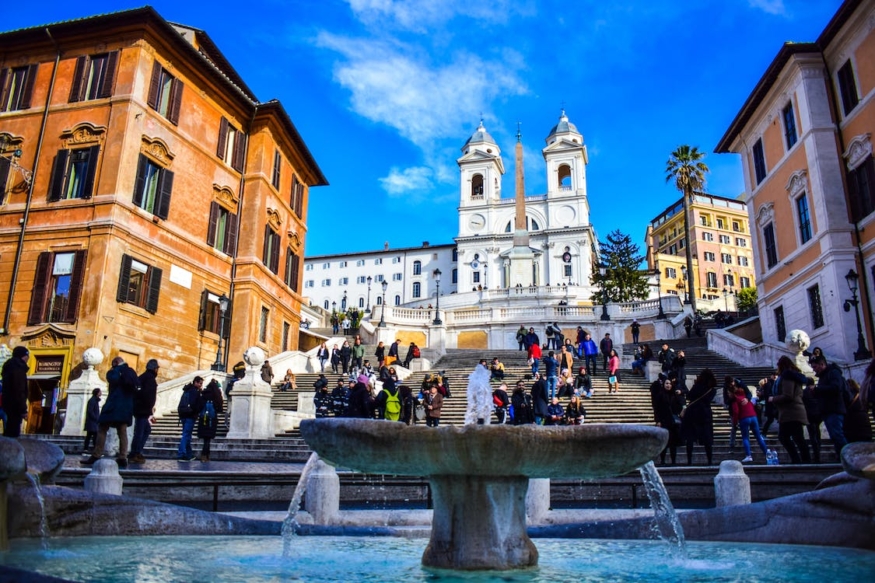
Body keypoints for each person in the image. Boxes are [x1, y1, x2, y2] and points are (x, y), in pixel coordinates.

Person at [82, 356, 139, 468]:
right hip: (126, 407)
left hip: (113, 405)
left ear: (116, 363)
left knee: (102, 429)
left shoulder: (115, 371)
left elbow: (112, 379)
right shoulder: (131, 372)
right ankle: (123, 457)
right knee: (122, 432)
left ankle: (96, 454)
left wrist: (115, 370)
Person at [769, 356, 811, 464]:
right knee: (797, 437)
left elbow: (788, 395)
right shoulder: (790, 376)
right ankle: (803, 460)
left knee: (786, 437)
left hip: (792, 412)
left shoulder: (787, 377)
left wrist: (773, 398)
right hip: (791, 412)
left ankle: (800, 460)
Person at [810, 356, 849, 456]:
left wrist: (818, 389)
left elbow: (836, 388)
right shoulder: (823, 375)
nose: (813, 369)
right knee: (834, 436)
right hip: (827, 410)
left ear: (822, 364)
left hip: (834, 409)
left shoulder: (833, 373)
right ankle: (841, 458)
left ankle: (848, 457)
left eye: (815, 367)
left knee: (837, 435)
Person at [681, 369, 717, 466]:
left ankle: (689, 460)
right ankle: (709, 460)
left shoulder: (697, 385)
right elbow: (708, 400)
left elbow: (689, 396)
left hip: (692, 413)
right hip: (705, 414)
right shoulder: (712, 389)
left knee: (690, 438)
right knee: (707, 439)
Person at [129, 359, 159, 464]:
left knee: (145, 430)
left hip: (140, 409)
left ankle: (137, 452)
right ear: (155, 369)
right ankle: (135, 453)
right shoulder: (150, 379)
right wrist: (149, 410)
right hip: (143, 410)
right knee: (140, 432)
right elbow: (148, 396)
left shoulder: (142, 377)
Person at [732, 379, 768, 463]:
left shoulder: (736, 398)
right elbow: (752, 405)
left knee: (745, 437)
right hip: (753, 416)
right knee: (758, 437)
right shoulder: (746, 397)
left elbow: (736, 411)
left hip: (743, 418)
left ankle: (748, 455)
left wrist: (735, 422)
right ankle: (766, 453)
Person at [653, 378, 685, 465]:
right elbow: (656, 409)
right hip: (663, 421)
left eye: (670, 384)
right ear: (663, 384)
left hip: (673, 422)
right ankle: (662, 460)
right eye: (666, 383)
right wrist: (658, 420)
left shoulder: (674, 395)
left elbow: (681, 404)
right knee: (664, 443)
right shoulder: (660, 395)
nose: (668, 385)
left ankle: (673, 460)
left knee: (673, 443)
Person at [1, 346, 29, 438]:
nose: (28, 359)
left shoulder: (8, 366)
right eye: (27, 356)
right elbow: (19, 389)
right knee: (12, 433)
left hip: (7, 404)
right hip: (15, 406)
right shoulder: (18, 368)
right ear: (23, 356)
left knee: (8, 430)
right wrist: (23, 409)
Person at [175, 376, 203, 462]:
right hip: (190, 416)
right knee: (186, 435)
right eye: (200, 383)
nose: (201, 385)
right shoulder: (195, 392)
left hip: (183, 414)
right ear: (196, 382)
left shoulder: (187, 390)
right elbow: (195, 405)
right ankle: (181, 454)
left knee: (187, 435)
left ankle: (189, 454)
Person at [196, 379, 223, 462]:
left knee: (205, 438)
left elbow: (199, 405)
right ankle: (205, 455)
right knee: (208, 438)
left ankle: (205, 455)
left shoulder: (204, 393)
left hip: (203, 419)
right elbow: (220, 406)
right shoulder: (216, 394)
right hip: (212, 419)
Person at [82, 388, 101, 454]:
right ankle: (91, 449)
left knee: (91, 436)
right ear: (97, 393)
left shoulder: (94, 400)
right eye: (100, 392)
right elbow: (90, 411)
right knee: (92, 436)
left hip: (93, 422)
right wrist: (96, 418)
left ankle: (88, 448)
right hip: (92, 422)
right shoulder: (92, 400)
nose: (101, 393)